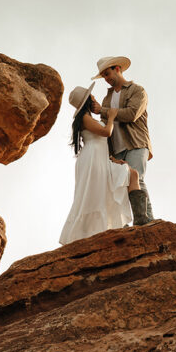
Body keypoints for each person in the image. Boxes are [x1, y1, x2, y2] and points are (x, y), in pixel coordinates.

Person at [59, 84, 149, 245]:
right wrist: (112, 116)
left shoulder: (88, 118)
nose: (94, 97)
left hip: (100, 158)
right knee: (95, 195)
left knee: (132, 174)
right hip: (92, 159)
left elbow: (103, 142)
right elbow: (106, 132)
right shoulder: (85, 118)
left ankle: (141, 219)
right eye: (90, 96)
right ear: (87, 100)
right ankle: (137, 220)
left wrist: (113, 160)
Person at [93, 56, 154, 221]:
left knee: (137, 179)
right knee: (122, 186)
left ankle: (146, 219)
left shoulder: (137, 90)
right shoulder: (107, 99)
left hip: (135, 143)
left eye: (107, 74)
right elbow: (106, 126)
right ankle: (130, 222)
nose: (106, 79)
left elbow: (132, 114)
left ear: (117, 69)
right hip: (116, 149)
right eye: (104, 76)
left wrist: (103, 111)